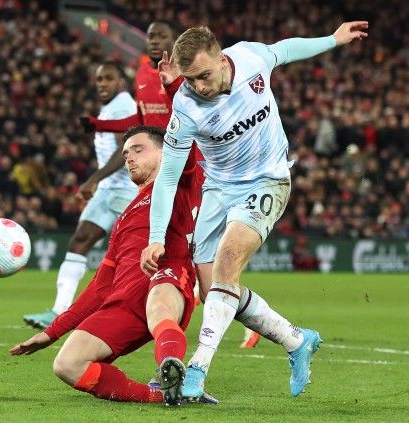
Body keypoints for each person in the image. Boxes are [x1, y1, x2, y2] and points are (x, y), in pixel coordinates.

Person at [140, 22, 369, 399]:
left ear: (220, 57)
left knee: (229, 262)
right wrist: (154, 238)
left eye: (203, 75)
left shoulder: (249, 58)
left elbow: (285, 49)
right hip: (218, 189)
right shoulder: (186, 105)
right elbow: (167, 177)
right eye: (191, 79)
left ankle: (197, 370)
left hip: (266, 181)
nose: (198, 86)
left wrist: (332, 39)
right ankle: (296, 340)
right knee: (215, 290)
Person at [84, 19, 262, 349]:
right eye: (150, 36)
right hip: (157, 175)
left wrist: (171, 85)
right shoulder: (141, 80)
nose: (154, 42)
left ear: (174, 42)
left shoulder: (190, 81)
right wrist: (99, 124)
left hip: (186, 173)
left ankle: (241, 317)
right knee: (186, 256)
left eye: (162, 37)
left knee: (200, 260)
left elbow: (193, 110)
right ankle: (189, 298)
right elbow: (137, 123)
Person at [11, 126, 208, 406]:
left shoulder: (177, 184)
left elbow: (186, 140)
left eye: (138, 150)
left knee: (159, 305)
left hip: (166, 278)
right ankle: (162, 394)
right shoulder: (124, 217)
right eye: (126, 152)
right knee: (67, 365)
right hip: (122, 304)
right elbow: (100, 287)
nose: (129, 157)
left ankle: (172, 366)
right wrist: (51, 332)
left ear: (166, 153)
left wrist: (176, 86)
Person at [23, 62, 138, 329]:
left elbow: (126, 151)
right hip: (108, 192)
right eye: (99, 79)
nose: (102, 83)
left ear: (121, 82)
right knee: (79, 241)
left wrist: (94, 178)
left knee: (138, 255)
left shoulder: (123, 105)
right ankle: (59, 310)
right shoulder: (110, 108)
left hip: (128, 191)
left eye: (109, 78)